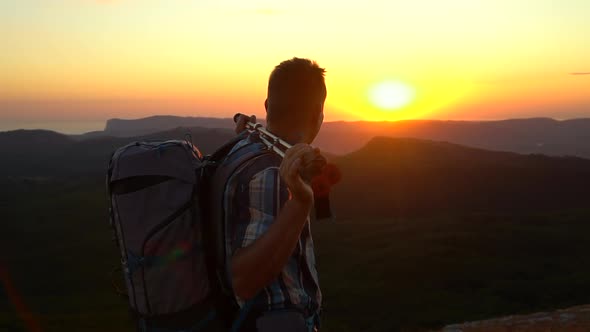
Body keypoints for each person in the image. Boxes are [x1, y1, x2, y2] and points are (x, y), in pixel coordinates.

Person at [224, 57, 327, 332]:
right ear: (318, 112)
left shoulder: (244, 147)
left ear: (267, 106)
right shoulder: (272, 173)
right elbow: (244, 282)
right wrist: (301, 203)